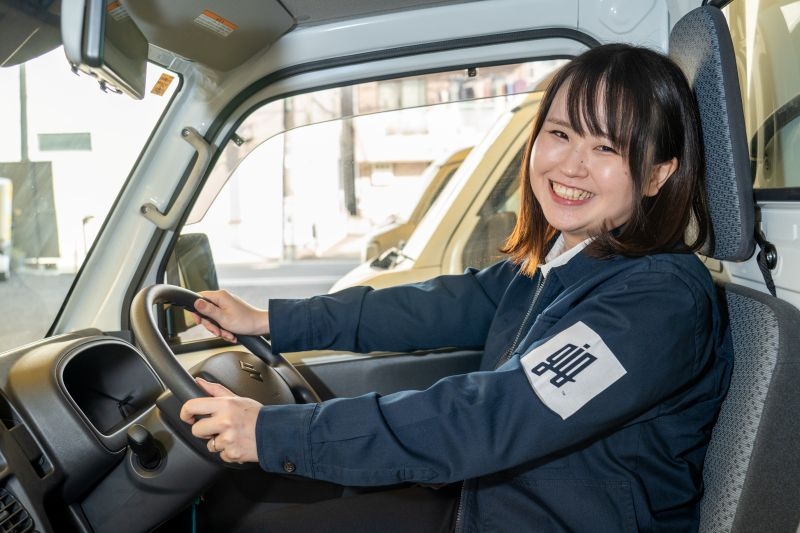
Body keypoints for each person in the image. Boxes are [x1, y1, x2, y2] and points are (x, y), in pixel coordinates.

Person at [180, 43, 732, 532]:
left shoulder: (658, 302)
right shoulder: (570, 259)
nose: (571, 165)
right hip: (494, 503)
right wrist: (273, 321)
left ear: (658, 174)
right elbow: (428, 308)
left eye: (606, 149)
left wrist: (277, 435)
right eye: (560, 134)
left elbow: (490, 416)